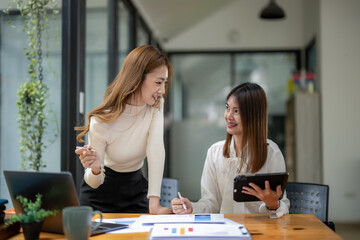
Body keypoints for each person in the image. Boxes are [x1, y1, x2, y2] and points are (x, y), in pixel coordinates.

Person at [74, 45, 173, 214]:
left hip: (136, 190)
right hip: (99, 197)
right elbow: (94, 181)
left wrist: (154, 204)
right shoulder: (101, 119)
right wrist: (95, 168)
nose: (162, 91)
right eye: (158, 82)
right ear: (137, 77)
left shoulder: (156, 105)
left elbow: (156, 150)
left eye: (164, 83)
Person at [171, 82, 289, 218]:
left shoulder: (272, 153)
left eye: (236, 111)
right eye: (227, 108)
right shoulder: (214, 152)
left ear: (253, 115)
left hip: (261, 232)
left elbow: (283, 205)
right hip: (225, 230)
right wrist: (192, 207)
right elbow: (211, 203)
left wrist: (273, 204)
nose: (229, 116)